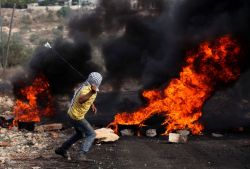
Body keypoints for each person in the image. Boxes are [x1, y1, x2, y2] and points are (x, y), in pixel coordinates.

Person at [55, 72, 102, 161]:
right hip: (76, 116)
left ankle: (62, 149)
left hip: (72, 114)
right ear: (95, 82)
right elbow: (81, 99)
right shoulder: (86, 90)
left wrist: (92, 105)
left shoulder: (89, 88)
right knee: (91, 134)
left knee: (80, 134)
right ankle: (81, 154)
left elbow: (88, 98)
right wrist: (92, 92)